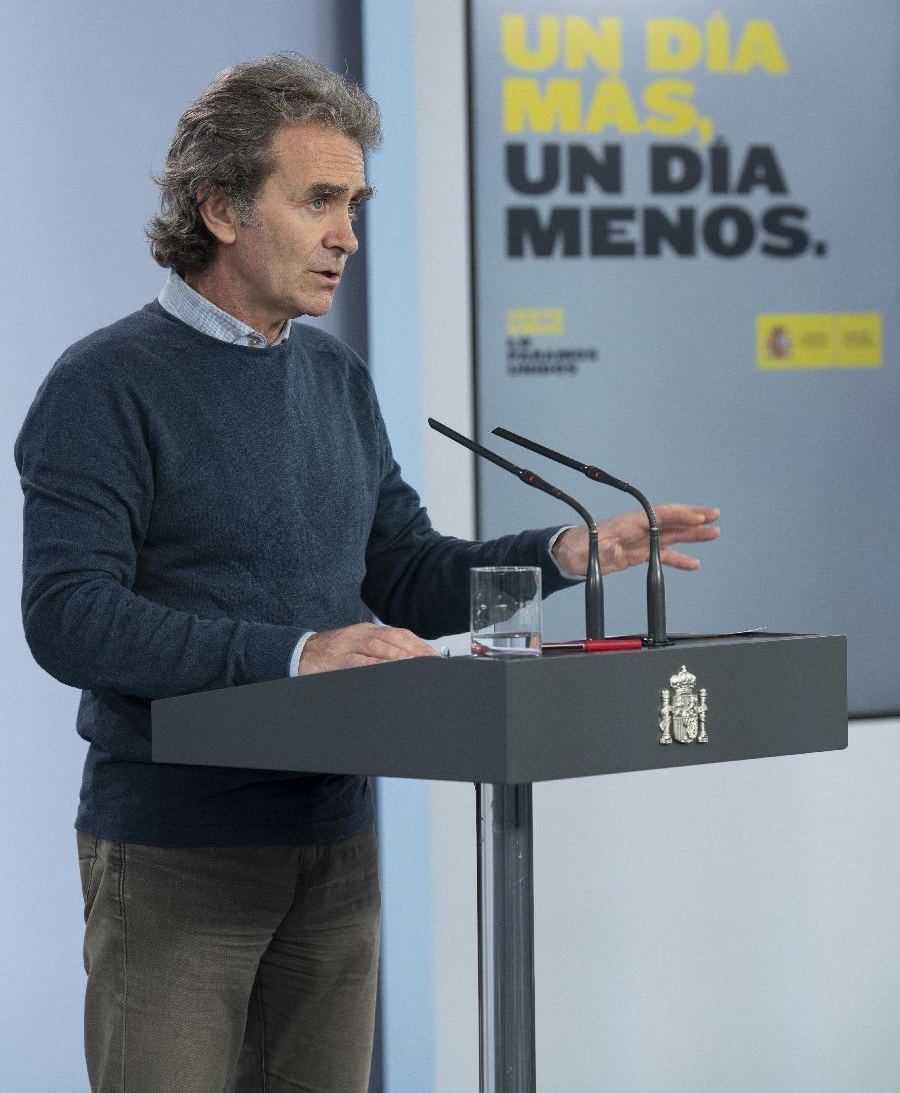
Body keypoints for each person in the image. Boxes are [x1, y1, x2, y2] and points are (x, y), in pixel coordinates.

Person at [14, 53, 720, 1093]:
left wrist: (562, 553)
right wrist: (297, 652)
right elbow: (70, 616)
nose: (347, 234)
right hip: (179, 852)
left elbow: (403, 570)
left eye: (354, 204)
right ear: (220, 208)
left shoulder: (333, 374)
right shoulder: (104, 383)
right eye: (318, 201)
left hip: (335, 843)